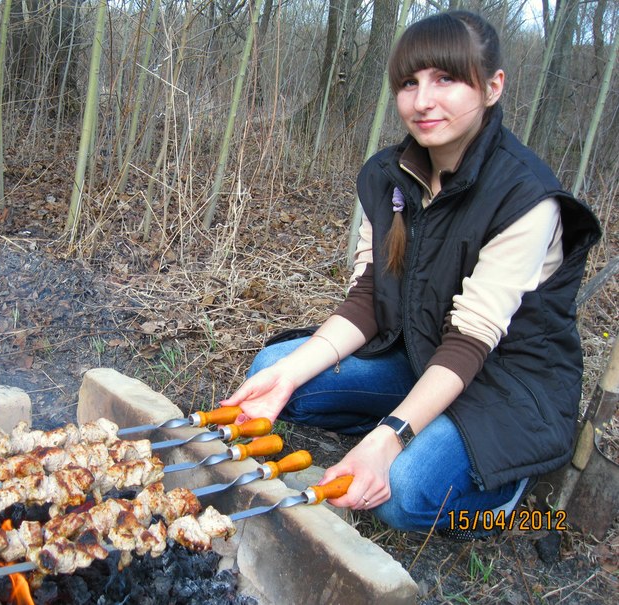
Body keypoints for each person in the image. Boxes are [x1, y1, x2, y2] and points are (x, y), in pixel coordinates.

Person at [220, 10, 601, 537]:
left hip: (507, 386)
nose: (422, 101)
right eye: (409, 82)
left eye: (446, 79)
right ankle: (419, 426)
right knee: (280, 370)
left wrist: (387, 438)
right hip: (424, 355)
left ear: (492, 87)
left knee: (402, 493)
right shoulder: (388, 175)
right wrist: (288, 376)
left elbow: (472, 339)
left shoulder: (526, 198)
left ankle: (504, 487)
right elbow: (369, 297)